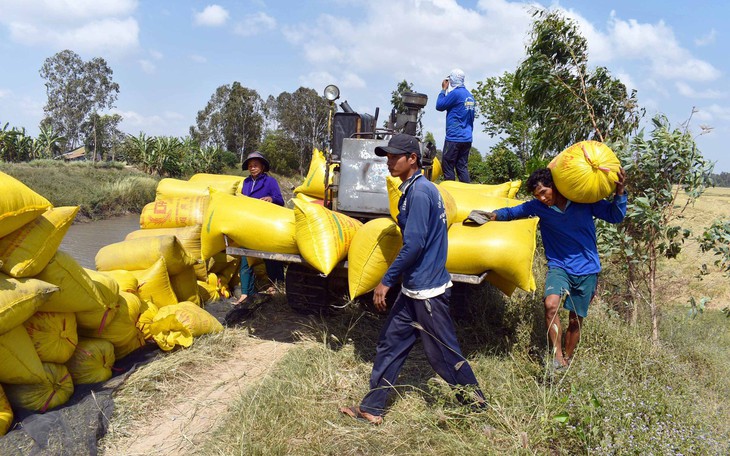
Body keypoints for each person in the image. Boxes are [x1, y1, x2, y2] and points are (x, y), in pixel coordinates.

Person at [340, 133, 485, 425]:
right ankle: (373, 407)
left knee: (443, 354)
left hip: (427, 290)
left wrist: (386, 280)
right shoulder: (420, 190)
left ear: (412, 159)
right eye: (387, 156)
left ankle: (476, 407)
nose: (389, 162)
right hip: (415, 289)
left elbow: (414, 244)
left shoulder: (419, 194)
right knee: (390, 343)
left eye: (395, 157)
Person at [486, 167, 627, 369]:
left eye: (544, 192)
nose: (542, 198)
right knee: (551, 306)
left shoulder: (583, 201)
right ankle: (557, 357)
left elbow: (615, 216)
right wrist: (491, 216)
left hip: (587, 269)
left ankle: (566, 361)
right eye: (537, 195)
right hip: (558, 266)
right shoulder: (539, 207)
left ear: (555, 186)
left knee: (575, 321)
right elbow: (512, 212)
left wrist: (620, 191)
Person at [235, 151, 285, 306]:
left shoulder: (270, 182)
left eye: (255, 165)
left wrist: (271, 199)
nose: (252, 168)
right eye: (250, 165)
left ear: (262, 167)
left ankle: (276, 284)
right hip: (249, 225)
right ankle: (245, 293)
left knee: (270, 256)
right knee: (245, 256)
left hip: (266, 224)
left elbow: (280, 200)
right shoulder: (246, 182)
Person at [435, 68, 475, 183]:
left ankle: (451, 193)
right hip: (466, 137)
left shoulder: (456, 94)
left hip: (454, 137)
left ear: (452, 80)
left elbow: (439, 105)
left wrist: (443, 90)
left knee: (447, 165)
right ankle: (466, 193)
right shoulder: (469, 96)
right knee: (461, 167)